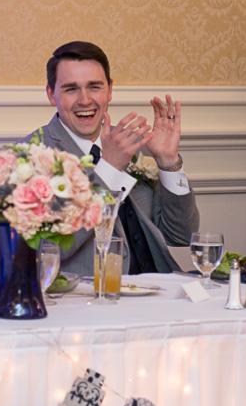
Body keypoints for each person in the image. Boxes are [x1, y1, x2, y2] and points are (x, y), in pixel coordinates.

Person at [28, 41, 199, 276]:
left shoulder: (133, 144)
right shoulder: (29, 156)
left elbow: (181, 237)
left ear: (110, 90)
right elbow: (51, 248)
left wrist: (169, 162)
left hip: (155, 291)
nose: (85, 99)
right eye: (71, 89)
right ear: (51, 94)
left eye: (94, 87)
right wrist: (108, 170)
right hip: (83, 299)